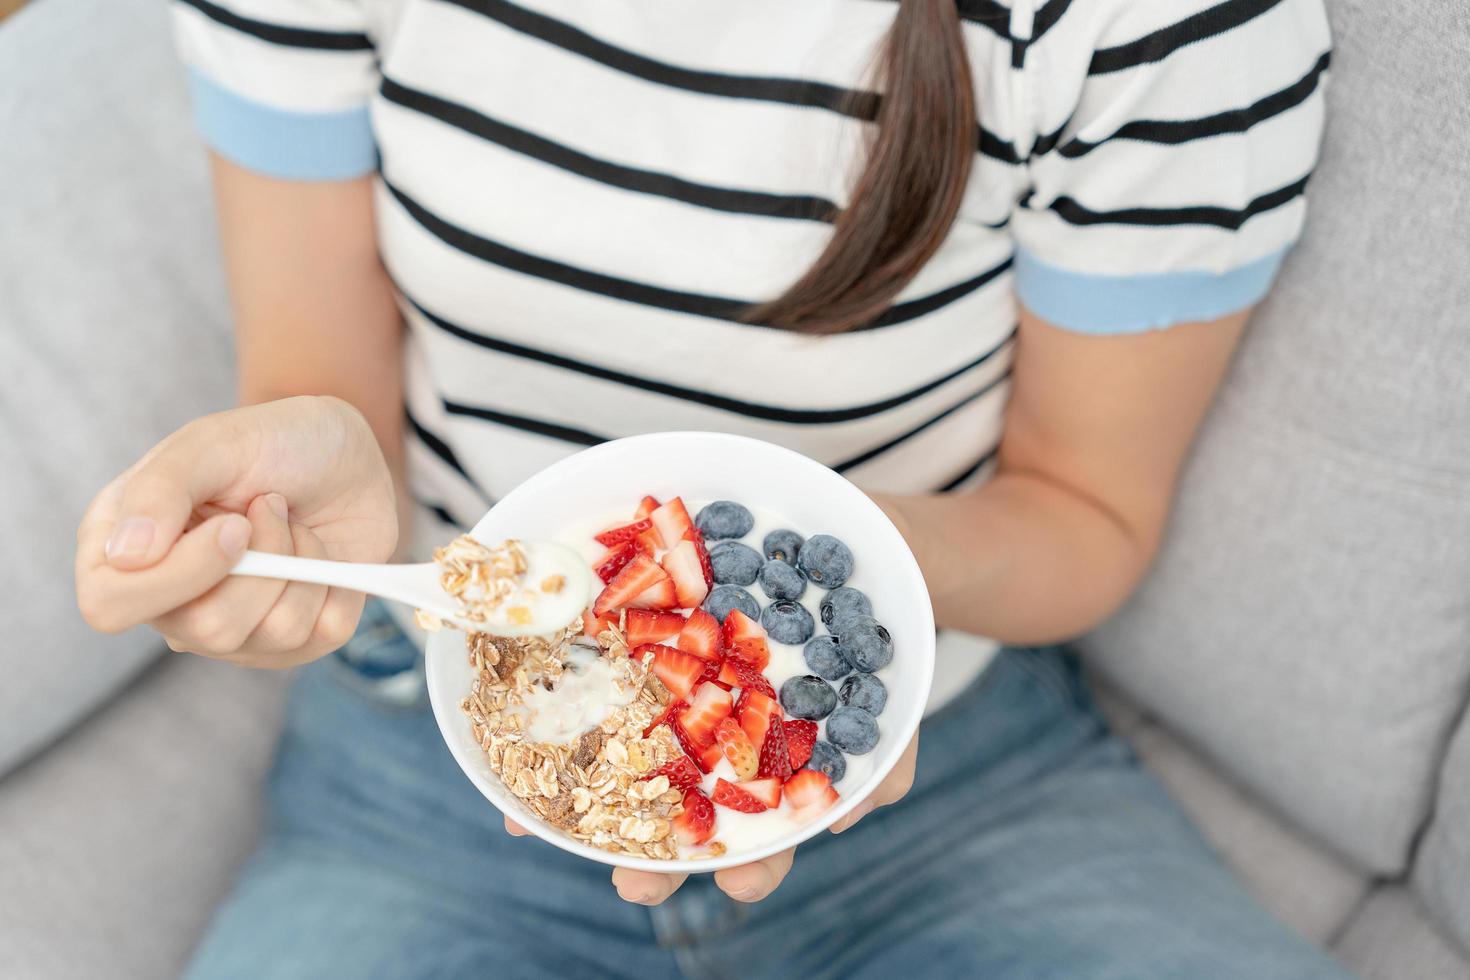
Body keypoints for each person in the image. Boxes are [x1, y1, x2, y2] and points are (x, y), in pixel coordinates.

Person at [75, 0, 1347, 976]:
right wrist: (293, 515)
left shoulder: (1176, 30)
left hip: (947, 773)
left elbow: (1089, 513)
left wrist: (824, 602)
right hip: (426, 757)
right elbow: (322, 370)